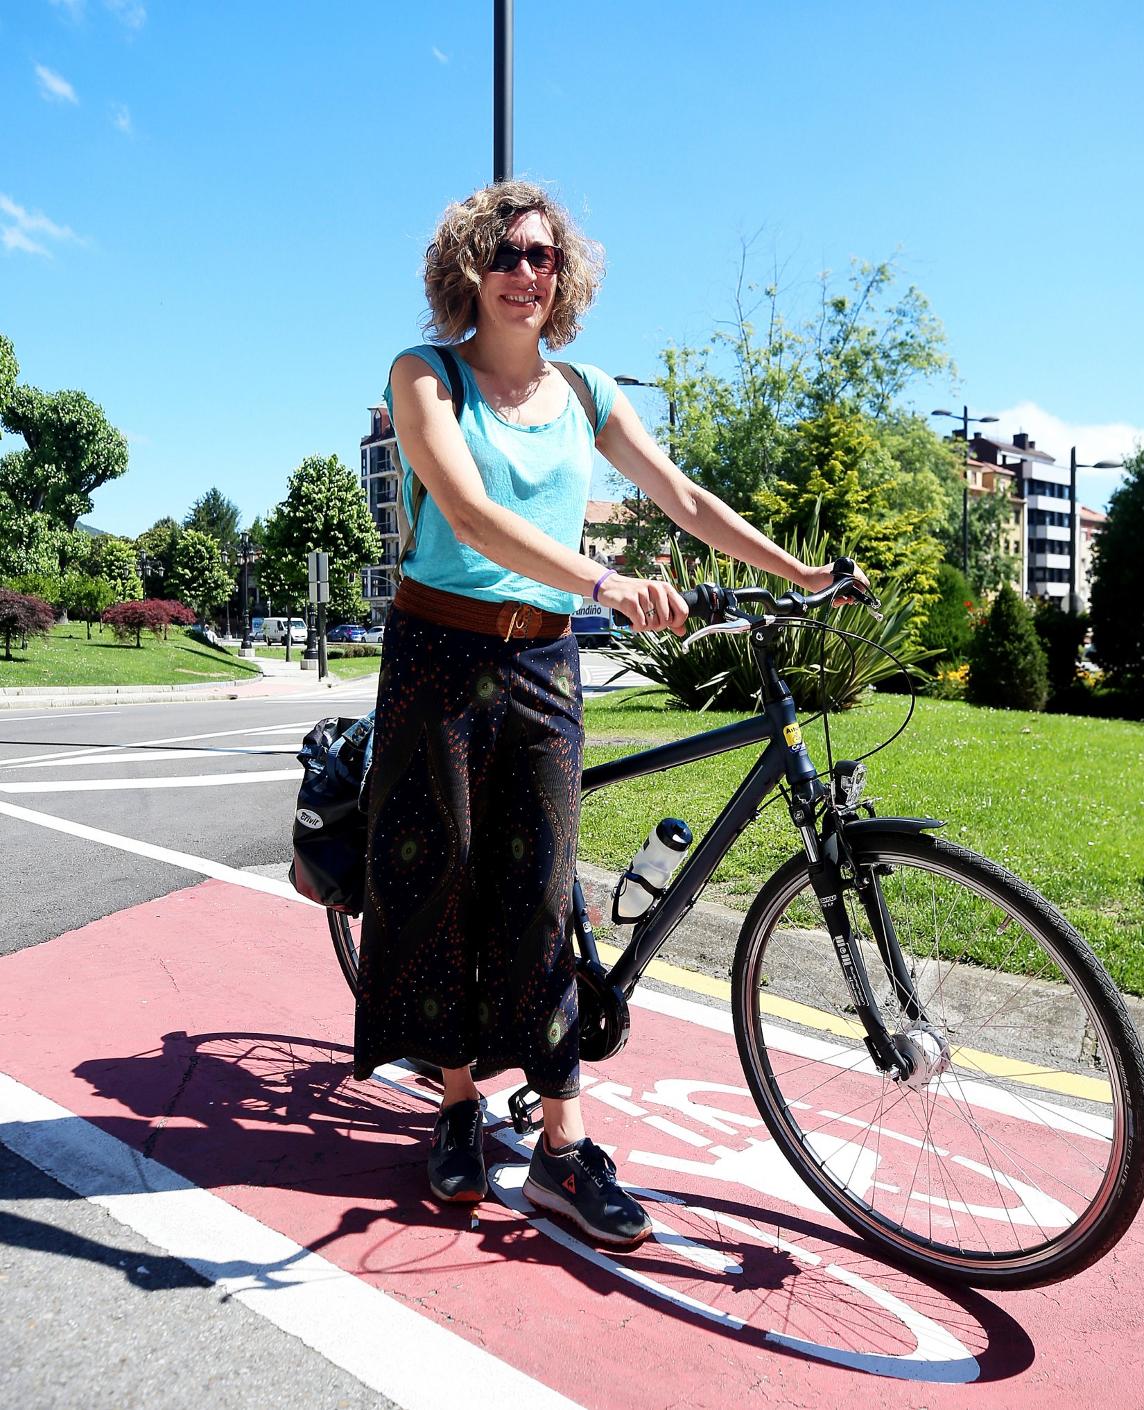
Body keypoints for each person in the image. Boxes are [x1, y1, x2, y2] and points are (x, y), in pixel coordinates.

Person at [353, 180, 869, 1247]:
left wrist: (803, 571)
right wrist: (600, 582)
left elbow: (681, 498)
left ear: (562, 273)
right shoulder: (425, 377)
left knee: (543, 896)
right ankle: (455, 1104)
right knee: (444, 880)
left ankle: (561, 1150)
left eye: (541, 254)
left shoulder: (585, 391)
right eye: (500, 252)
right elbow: (470, 513)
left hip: (541, 667)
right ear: (465, 268)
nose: (522, 270)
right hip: (437, 657)